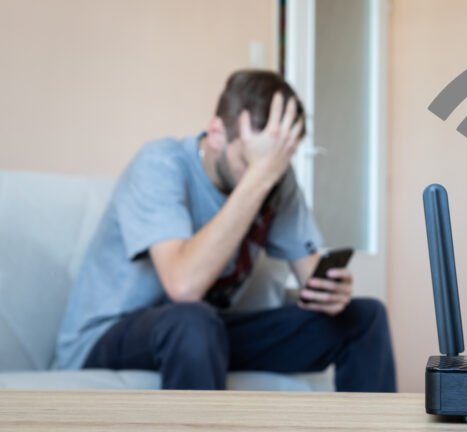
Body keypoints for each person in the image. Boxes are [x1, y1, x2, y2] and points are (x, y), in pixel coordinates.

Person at [55, 70, 396, 391]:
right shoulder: (160, 163)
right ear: (216, 133)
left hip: (208, 333)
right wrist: (259, 177)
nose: (268, 174)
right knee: (191, 322)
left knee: (363, 318)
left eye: (276, 163)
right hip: (108, 337)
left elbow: (311, 275)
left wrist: (329, 292)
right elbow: (183, 286)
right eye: (250, 160)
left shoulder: (275, 179)